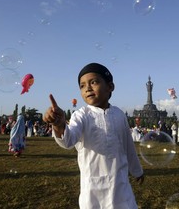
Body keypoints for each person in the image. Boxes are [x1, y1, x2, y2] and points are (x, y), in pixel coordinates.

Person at [43, 63, 144, 209]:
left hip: (121, 188)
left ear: (110, 87)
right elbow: (68, 140)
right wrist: (59, 124)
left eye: (94, 82)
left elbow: (129, 147)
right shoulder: (81, 115)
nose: (88, 88)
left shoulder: (119, 115)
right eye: (82, 86)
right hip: (93, 191)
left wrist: (137, 171)